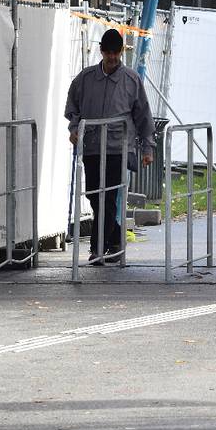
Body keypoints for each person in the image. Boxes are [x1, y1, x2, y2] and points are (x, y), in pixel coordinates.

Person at [64, 28, 155, 266]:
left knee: (108, 196)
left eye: (116, 53)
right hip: (92, 147)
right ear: (101, 51)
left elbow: (144, 116)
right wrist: (74, 128)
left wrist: (148, 148)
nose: (112, 58)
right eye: (108, 53)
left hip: (118, 148)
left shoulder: (131, 80)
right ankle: (115, 238)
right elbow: (72, 107)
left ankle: (98, 249)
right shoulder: (85, 79)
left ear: (122, 52)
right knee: (95, 196)